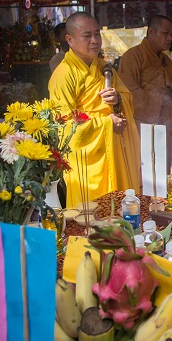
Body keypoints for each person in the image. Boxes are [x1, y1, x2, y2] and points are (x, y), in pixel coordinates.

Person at [49, 12, 141, 208]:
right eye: (87, 35)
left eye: (97, 34)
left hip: (113, 150)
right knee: (91, 214)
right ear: (70, 40)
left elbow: (127, 99)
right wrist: (107, 124)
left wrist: (118, 100)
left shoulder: (105, 69)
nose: (94, 41)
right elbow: (64, 126)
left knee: (119, 207)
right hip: (86, 161)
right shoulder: (64, 75)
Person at [118, 14, 172, 182]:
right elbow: (128, 90)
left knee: (171, 167)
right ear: (151, 32)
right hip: (144, 125)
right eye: (166, 33)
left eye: (171, 34)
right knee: (148, 170)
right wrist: (159, 100)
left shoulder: (166, 61)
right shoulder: (132, 56)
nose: (170, 38)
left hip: (168, 122)